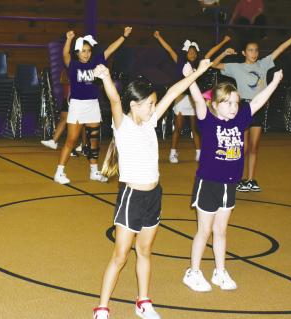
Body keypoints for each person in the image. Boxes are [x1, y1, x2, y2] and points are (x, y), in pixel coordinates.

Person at [92, 59, 212, 319]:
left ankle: (143, 301)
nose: (154, 108)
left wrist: (199, 72)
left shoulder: (151, 122)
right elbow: (114, 100)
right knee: (121, 255)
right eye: (150, 104)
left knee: (145, 251)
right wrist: (106, 77)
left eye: (154, 104)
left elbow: (173, 92)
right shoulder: (122, 125)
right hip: (131, 197)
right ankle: (102, 307)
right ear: (134, 105)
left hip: (153, 196)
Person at [181, 61, 283, 292]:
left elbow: (257, 101)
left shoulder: (239, 119)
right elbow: (198, 100)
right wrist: (192, 77)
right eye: (227, 103)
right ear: (215, 105)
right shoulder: (208, 121)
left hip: (229, 184)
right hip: (208, 183)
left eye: (236, 103)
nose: (233, 107)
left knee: (221, 230)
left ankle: (219, 271)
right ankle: (193, 272)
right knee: (204, 230)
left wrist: (275, 82)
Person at [212, 26, 291, 191]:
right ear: (244, 53)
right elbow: (214, 65)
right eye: (250, 50)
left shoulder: (263, 64)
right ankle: (236, 178)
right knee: (242, 147)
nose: (254, 53)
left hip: (258, 107)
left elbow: (280, 48)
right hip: (243, 107)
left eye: (256, 50)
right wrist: (224, 53)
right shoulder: (236, 67)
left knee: (254, 147)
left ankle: (250, 179)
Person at [53, 27, 132, 184]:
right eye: (83, 51)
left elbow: (110, 49)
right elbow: (65, 55)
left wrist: (123, 36)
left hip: (92, 105)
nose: (86, 53)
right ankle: (59, 172)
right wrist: (69, 39)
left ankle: (94, 172)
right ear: (77, 52)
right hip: (77, 105)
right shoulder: (73, 65)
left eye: (88, 50)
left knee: (94, 139)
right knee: (71, 140)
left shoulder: (96, 61)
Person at [153, 31, 231, 163]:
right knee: (178, 126)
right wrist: (159, 37)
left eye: (194, 52)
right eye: (190, 52)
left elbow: (211, 52)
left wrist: (224, 41)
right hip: (182, 97)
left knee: (195, 127)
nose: (192, 54)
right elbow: (169, 49)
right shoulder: (181, 62)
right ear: (186, 53)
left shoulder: (201, 64)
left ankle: (199, 153)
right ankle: (173, 153)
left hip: (194, 98)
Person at [41, 69, 87, 156]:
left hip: (78, 98)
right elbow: (63, 79)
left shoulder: (83, 68)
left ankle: (83, 146)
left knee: (79, 122)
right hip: (68, 97)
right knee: (65, 119)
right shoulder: (69, 68)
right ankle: (54, 141)